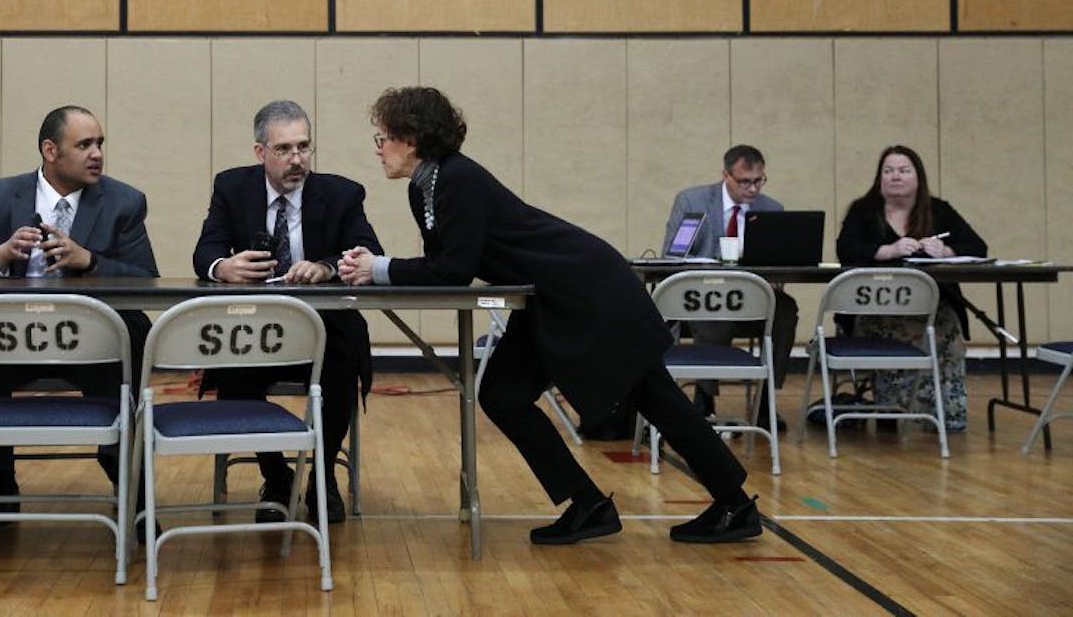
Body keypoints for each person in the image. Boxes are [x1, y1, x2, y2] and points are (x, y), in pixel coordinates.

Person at [340, 87, 761, 546]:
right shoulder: (427, 186)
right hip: (550, 300)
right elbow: (444, 264)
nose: (379, 149)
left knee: (658, 399)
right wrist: (378, 267)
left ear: (412, 139)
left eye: (382, 138)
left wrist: (377, 268)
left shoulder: (458, 179)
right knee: (502, 395)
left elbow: (454, 270)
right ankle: (587, 504)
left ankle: (736, 507)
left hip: (589, 292)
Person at [0, 105, 156, 512]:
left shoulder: (123, 202)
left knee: (135, 337)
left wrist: (89, 262)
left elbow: (145, 278)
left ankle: (126, 477)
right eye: (85, 144)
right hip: (11, 341)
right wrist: (0, 255)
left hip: (92, 345)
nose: (97, 154)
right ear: (50, 151)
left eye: (100, 144)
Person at [192, 100, 382, 524]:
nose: (297, 160)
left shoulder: (342, 192)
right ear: (260, 152)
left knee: (339, 358)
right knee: (234, 366)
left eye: (304, 147)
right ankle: (275, 474)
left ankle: (323, 476)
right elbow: (204, 250)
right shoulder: (231, 187)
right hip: (255, 327)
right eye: (284, 150)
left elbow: (369, 251)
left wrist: (328, 267)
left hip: (322, 329)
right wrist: (223, 267)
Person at [835, 145, 987, 431]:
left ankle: (946, 417)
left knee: (944, 331)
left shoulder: (938, 210)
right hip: (876, 306)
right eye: (888, 171)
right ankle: (892, 411)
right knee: (902, 333)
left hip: (930, 307)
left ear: (918, 177)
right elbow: (846, 251)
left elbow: (978, 248)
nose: (895, 177)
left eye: (904, 171)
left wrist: (946, 251)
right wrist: (886, 250)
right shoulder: (863, 211)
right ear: (879, 178)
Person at [663, 144, 800, 429]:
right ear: (726, 175)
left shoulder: (771, 209)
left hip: (751, 296)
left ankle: (765, 397)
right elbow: (671, 257)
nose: (752, 189)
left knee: (785, 309)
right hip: (704, 295)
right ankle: (705, 395)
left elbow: (782, 263)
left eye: (758, 181)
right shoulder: (693, 201)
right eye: (745, 182)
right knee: (715, 307)